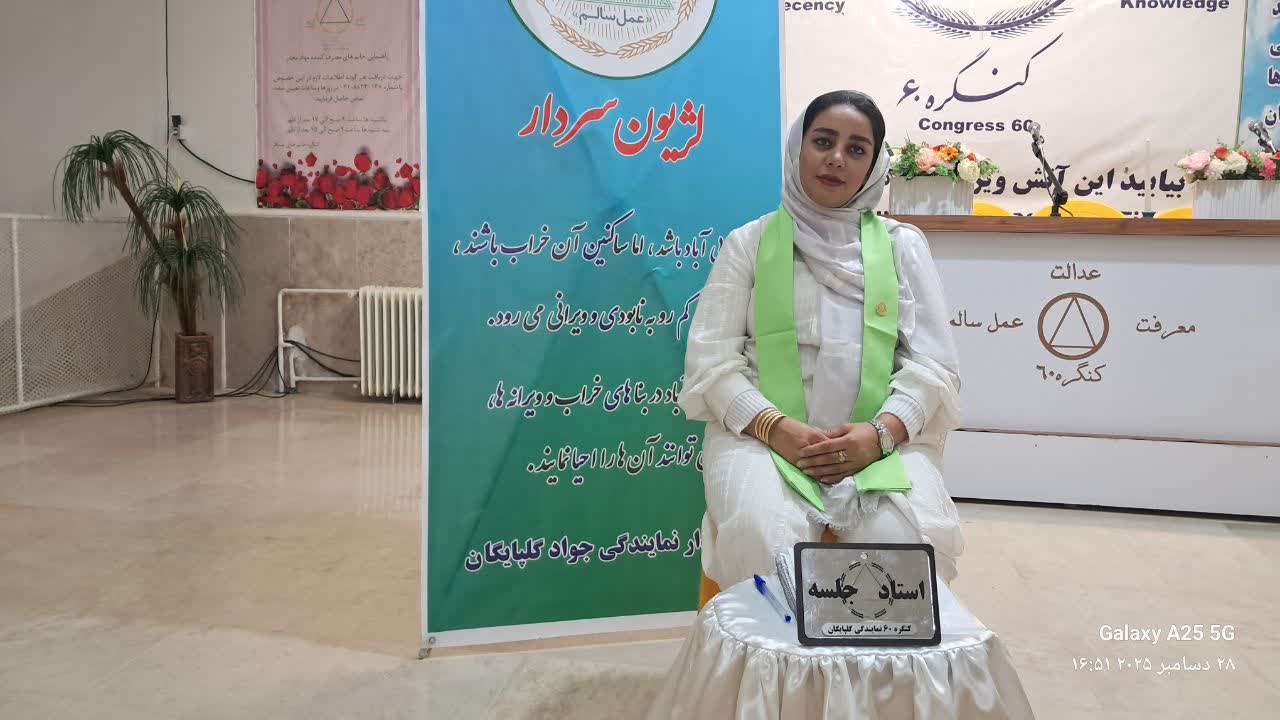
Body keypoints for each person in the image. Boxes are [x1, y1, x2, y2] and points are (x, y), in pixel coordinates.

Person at [678, 90, 964, 590]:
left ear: (873, 166)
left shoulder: (903, 246)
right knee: (766, 543)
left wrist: (879, 435)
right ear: (798, 149)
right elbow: (711, 364)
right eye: (823, 141)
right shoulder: (748, 243)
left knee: (901, 549)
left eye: (856, 149)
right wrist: (775, 427)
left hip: (881, 441)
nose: (836, 158)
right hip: (760, 438)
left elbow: (934, 368)